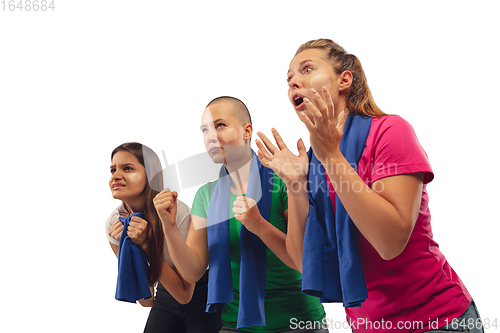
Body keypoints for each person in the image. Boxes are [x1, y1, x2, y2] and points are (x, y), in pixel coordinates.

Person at [256, 38, 482, 333]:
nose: (294, 83)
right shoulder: (311, 164)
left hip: (437, 319)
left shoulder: (390, 131)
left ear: (344, 80)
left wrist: (332, 157)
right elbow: (303, 262)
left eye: (307, 69)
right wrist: (296, 183)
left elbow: (390, 242)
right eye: (289, 80)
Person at [153, 97, 328, 333]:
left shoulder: (284, 183)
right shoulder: (206, 195)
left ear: (247, 132)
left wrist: (259, 225)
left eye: (220, 125)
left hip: (299, 322)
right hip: (237, 325)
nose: (210, 136)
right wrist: (170, 226)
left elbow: (306, 261)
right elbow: (193, 271)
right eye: (205, 130)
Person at [105, 142, 222, 333]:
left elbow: (185, 294)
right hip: (166, 291)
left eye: (127, 168)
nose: (116, 176)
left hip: (204, 291)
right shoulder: (114, 224)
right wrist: (132, 249)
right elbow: (147, 299)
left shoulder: (177, 214)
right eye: (112, 170)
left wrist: (146, 245)